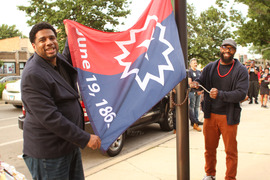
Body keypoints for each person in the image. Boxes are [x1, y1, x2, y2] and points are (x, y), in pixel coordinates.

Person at [21, 22, 101, 180]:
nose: (49, 42)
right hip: (49, 154)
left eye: (52, 38)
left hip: (69, 146)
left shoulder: (57, 61)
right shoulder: (33, 74)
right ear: (33, 45)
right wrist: (85, 138)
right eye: (42, 40)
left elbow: (69, 53)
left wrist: (71, 33)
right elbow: (50, 118)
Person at [190, 39, 248, 180]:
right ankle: (210, 174)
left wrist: (220, 94)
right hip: (210, 115)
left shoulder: (240, 70)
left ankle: (230, 177)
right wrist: (196, 84)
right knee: (209, 149)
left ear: (234, 51)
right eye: (224, 47)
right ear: (220, 48)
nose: (227, 50)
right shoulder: (210, 67)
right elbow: (201, 82)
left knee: (230, 151)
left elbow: (241, 93)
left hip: (228, 117)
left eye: (231, 48)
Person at [188, 58, 203, 132]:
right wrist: (195, 86)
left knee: (197, 106)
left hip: (198, 92)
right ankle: (194, 122)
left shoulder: (199, 72)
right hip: (192, 92)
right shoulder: (189, 72)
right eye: (194, 63)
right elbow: (190, 83)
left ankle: (197, 120)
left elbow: (202, 81)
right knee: (192, 107)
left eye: (196, 62)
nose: (195, 64)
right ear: (191, 64)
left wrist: (200, 90)